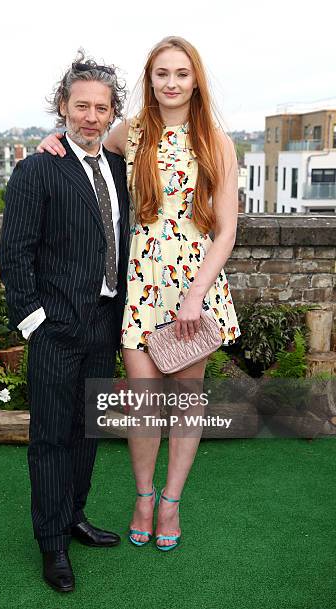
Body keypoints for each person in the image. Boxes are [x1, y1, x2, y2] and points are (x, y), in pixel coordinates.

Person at [37, 36, 241, 552]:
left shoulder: (217, 141)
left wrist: (195, 296)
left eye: (181, 73)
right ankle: (143, 496)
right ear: (149, 80)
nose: (171, 83)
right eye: (160, 74)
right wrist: (52, 141)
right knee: (143, 402)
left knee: (185, 403)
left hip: (194, 287)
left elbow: (226, 232)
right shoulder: (132, 132)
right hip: (140, 284)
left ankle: (172, 501)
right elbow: (83, 146)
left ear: (195, 79)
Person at [0, 53, 130, 593]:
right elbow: (15, 253)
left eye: (102, 108)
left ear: (112, 112)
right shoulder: (37, 168)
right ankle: (51, 543)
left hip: (103, 323)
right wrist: (34, 324)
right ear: (63, 107)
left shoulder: (117, 168)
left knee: (87, 431)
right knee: (51, 437)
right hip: (55, 329)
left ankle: (74, 516)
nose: (91, 117)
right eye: (81, 106)